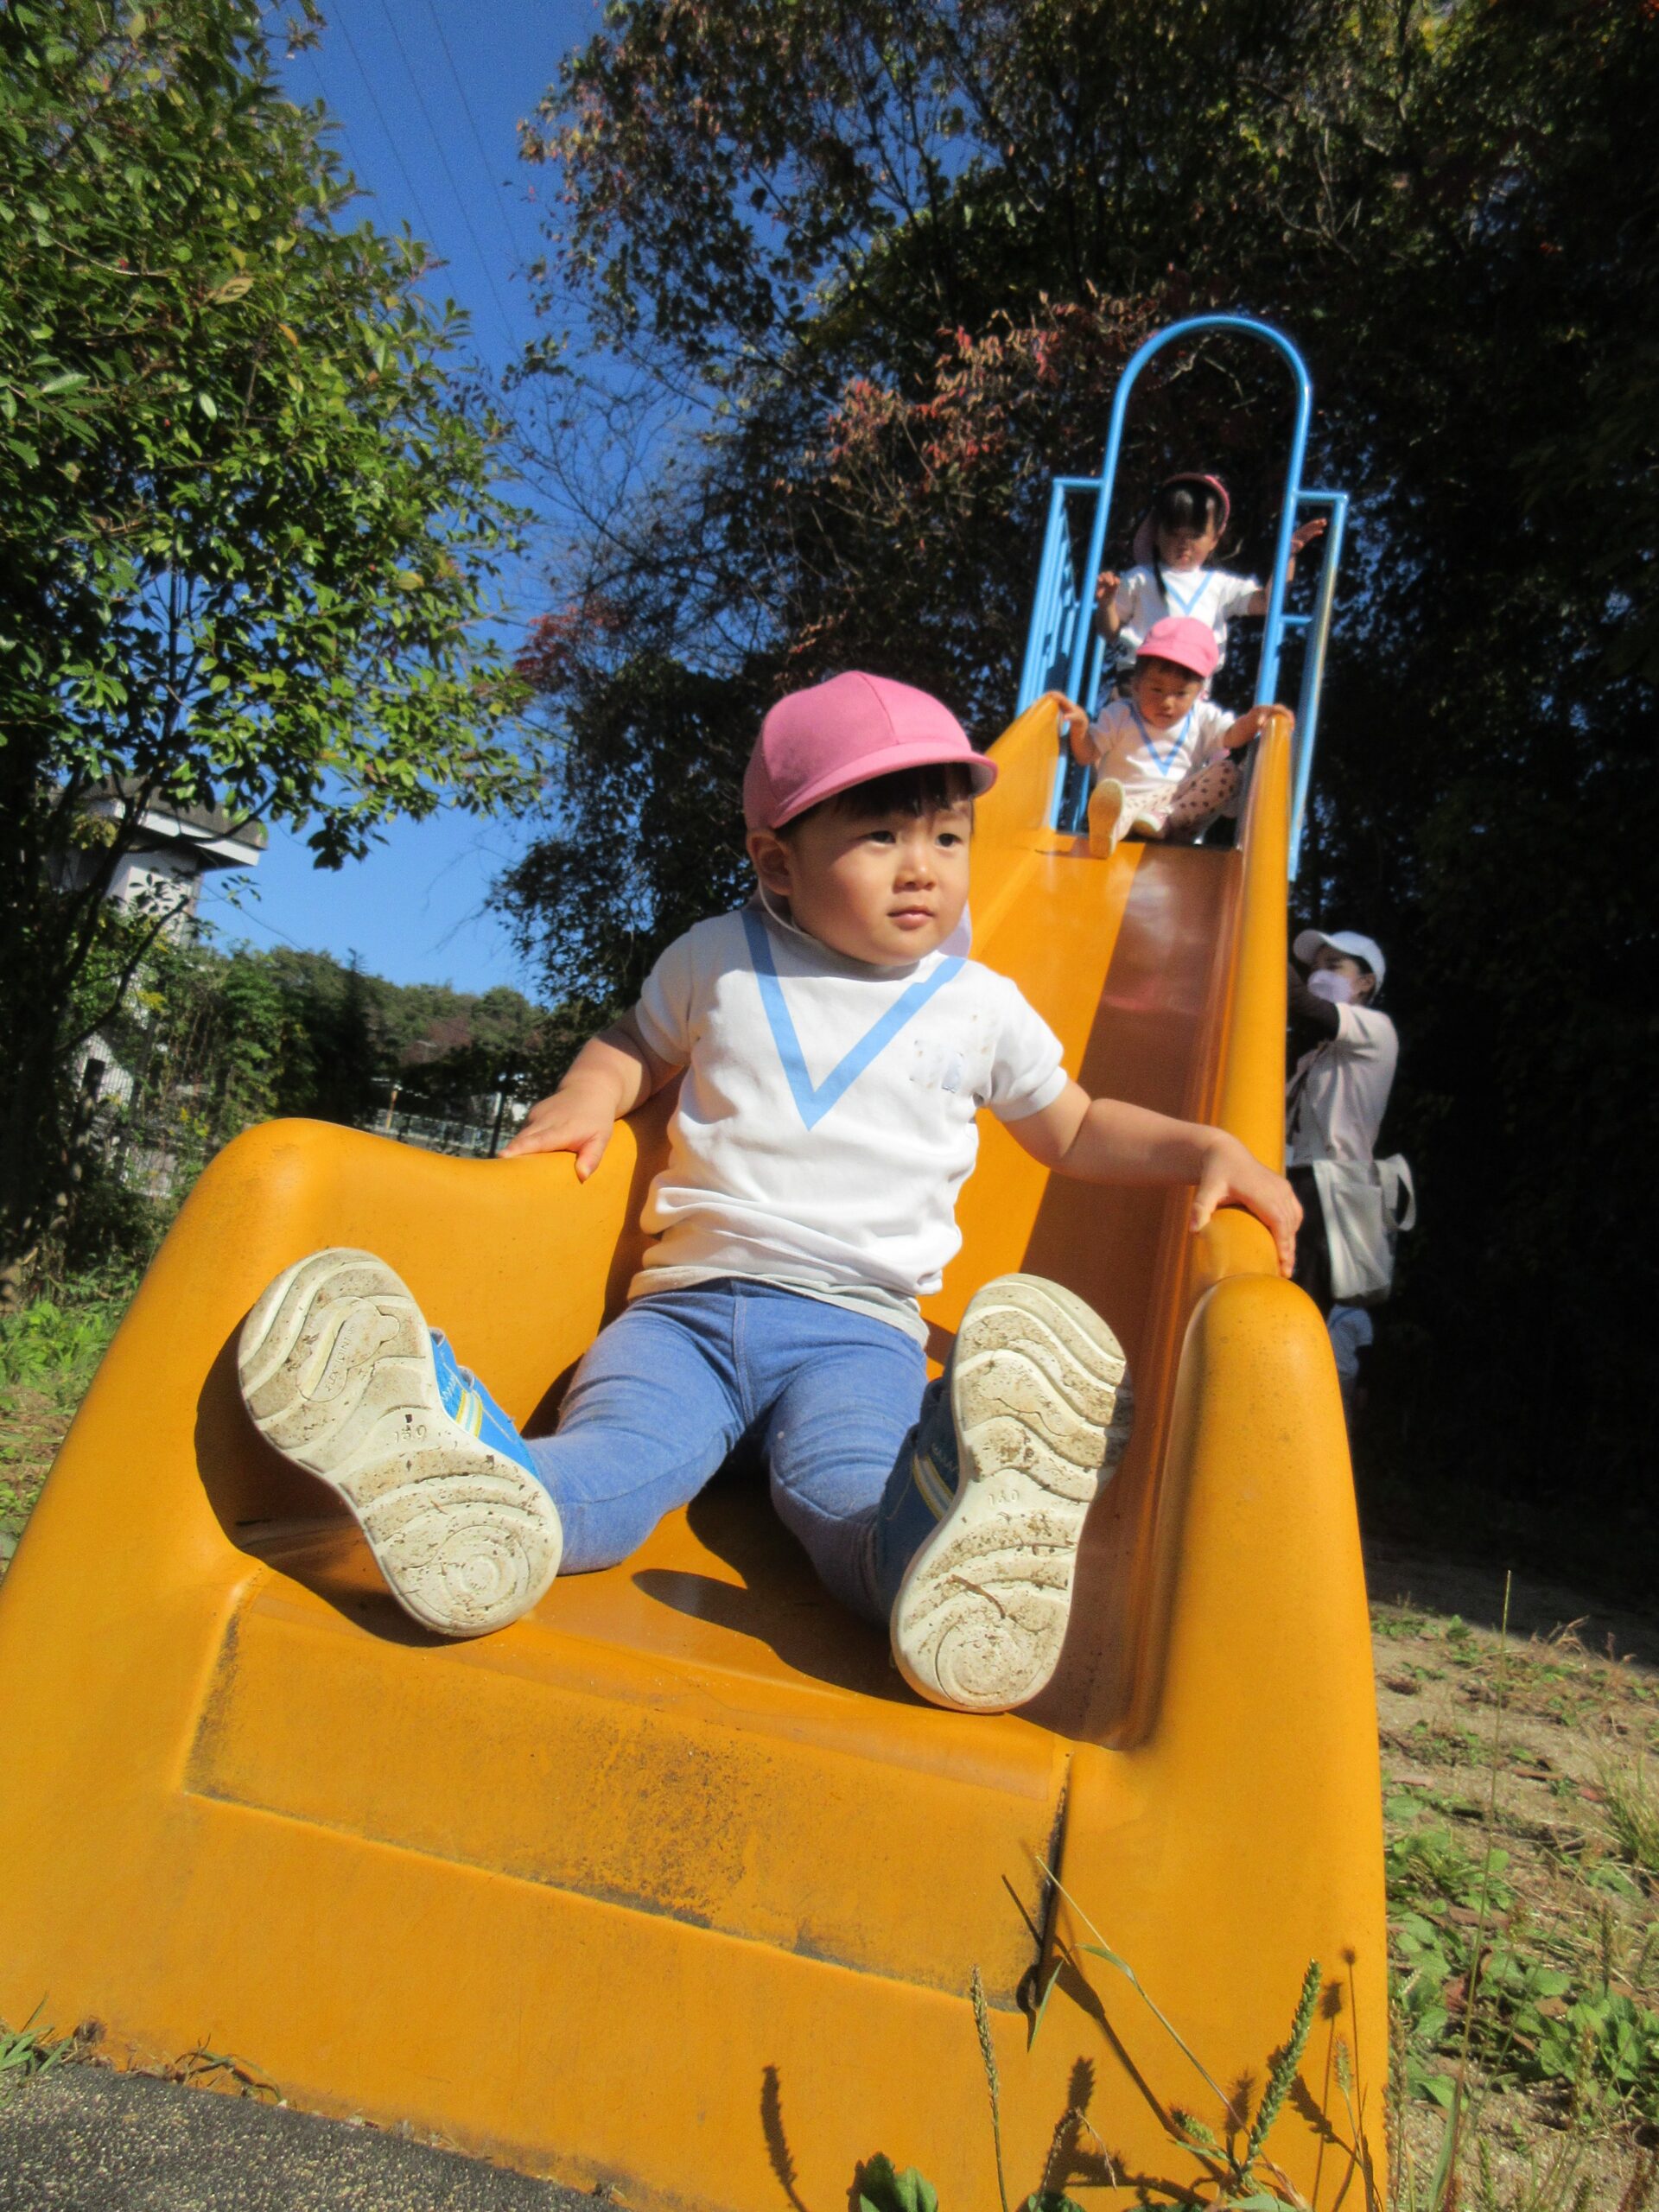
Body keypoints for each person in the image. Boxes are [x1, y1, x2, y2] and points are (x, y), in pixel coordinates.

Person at [237, 673, 1300, 1718]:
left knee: (846, 1496)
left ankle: (948, 1535)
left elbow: (1073, 1126)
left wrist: (1202, 1146)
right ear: (777, 862)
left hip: (858, 1334)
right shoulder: (719, 959)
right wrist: (588, 1094)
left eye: (947, 837)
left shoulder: (980, 1006)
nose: (922, 867)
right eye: (880, 836)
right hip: (684, 1319)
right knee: (614, 1471)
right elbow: (635, 1043)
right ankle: (457, 1462)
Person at [1042, 616, 1287, 856]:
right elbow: (1087, 755)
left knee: (1228, 773)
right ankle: (1111, 830)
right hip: (1123, 809)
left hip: (1178, 819)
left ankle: (1163, 819)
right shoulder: (1120, 714)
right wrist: (1081, 728)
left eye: (1180, 694)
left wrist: (1253, 720)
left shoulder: (1201, 718)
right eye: (1156, 689)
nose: (1167, 702)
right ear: (1136, 685)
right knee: (1117, 804)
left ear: (1198, 693)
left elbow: (1233, 735)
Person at [1093, 471, 1325, 692]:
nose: (1184, 544)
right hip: (1140, 681)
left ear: (1214, 539)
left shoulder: (1219, 585)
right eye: (1174, 533)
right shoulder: (1141, 578)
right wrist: (1106, 604)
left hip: (1190, 690)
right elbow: (1110, 631)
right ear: (1157, 535)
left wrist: (1287, 556)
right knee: (1124, 715)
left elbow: (1268, 602)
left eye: (1195, 536)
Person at [1285, 928, 1406, 1313]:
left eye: (1333, 966)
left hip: (1326, 1188)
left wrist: (1261, 942)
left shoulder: (1377, 1030)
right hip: (1296, 1178)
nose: (1319, 975)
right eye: (1315, 967)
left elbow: (1299, 1001)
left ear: (1365, 982)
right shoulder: (1315, 1056)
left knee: (1297, 1307)